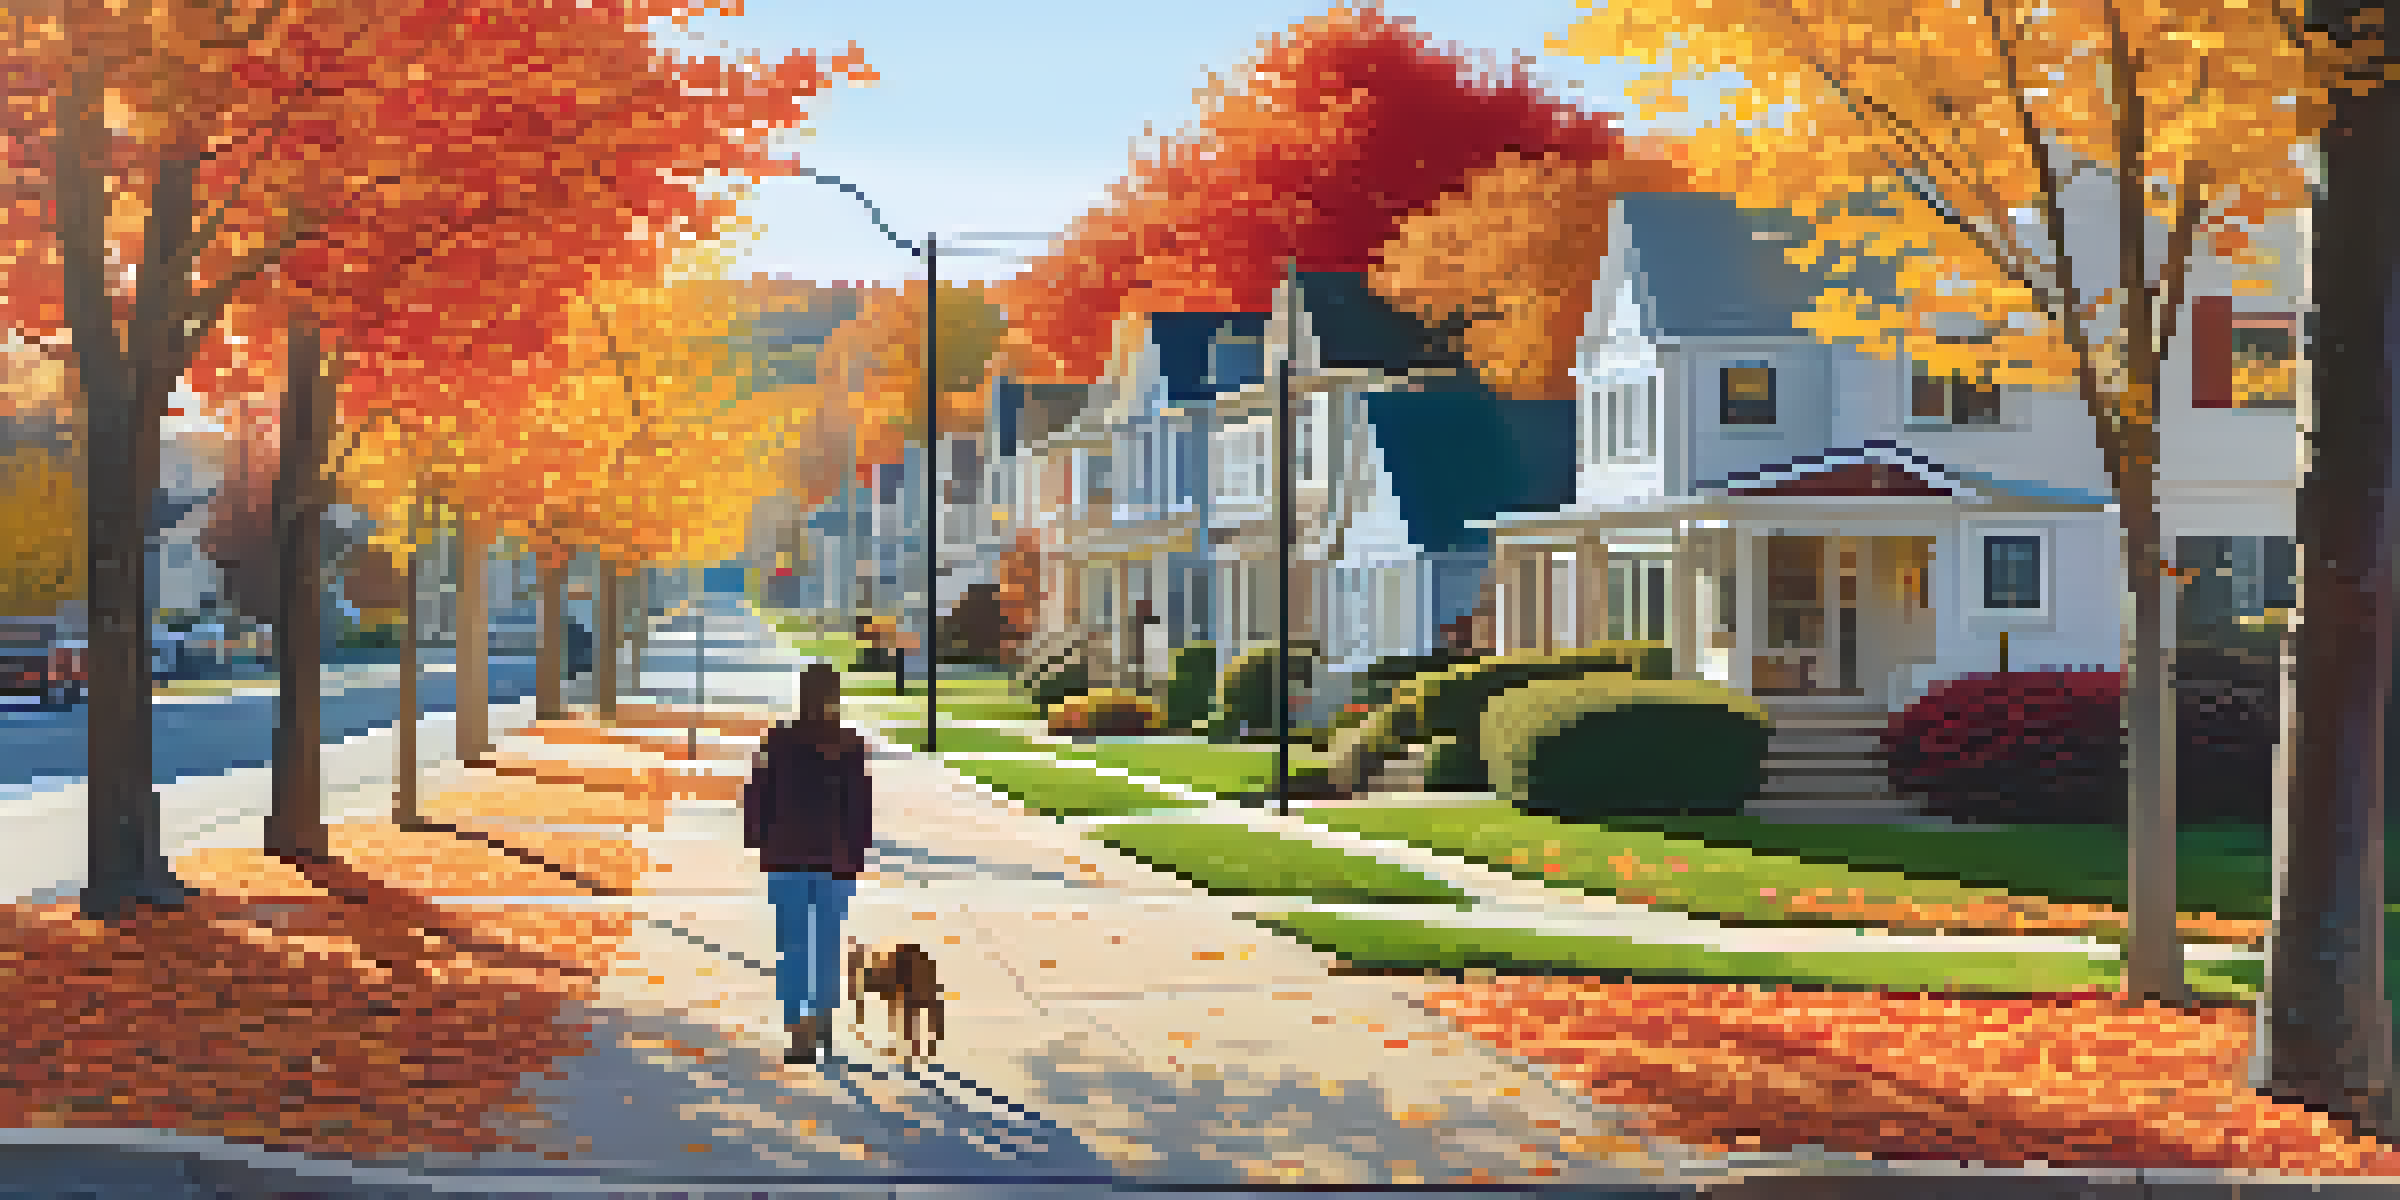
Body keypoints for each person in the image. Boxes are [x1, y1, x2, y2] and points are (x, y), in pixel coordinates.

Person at [742, 662, 873, 1065]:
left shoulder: (776, 741)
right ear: (834, 698)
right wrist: (856, 852)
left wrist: (757, 838)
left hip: (786, 855)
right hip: (834, 859)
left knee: (793, 945)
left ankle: (799, 1029)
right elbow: (859, 807)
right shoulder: (848, 745)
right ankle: (822, 1017)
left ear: (801, 696)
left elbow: (757, 794)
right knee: (826, 943)